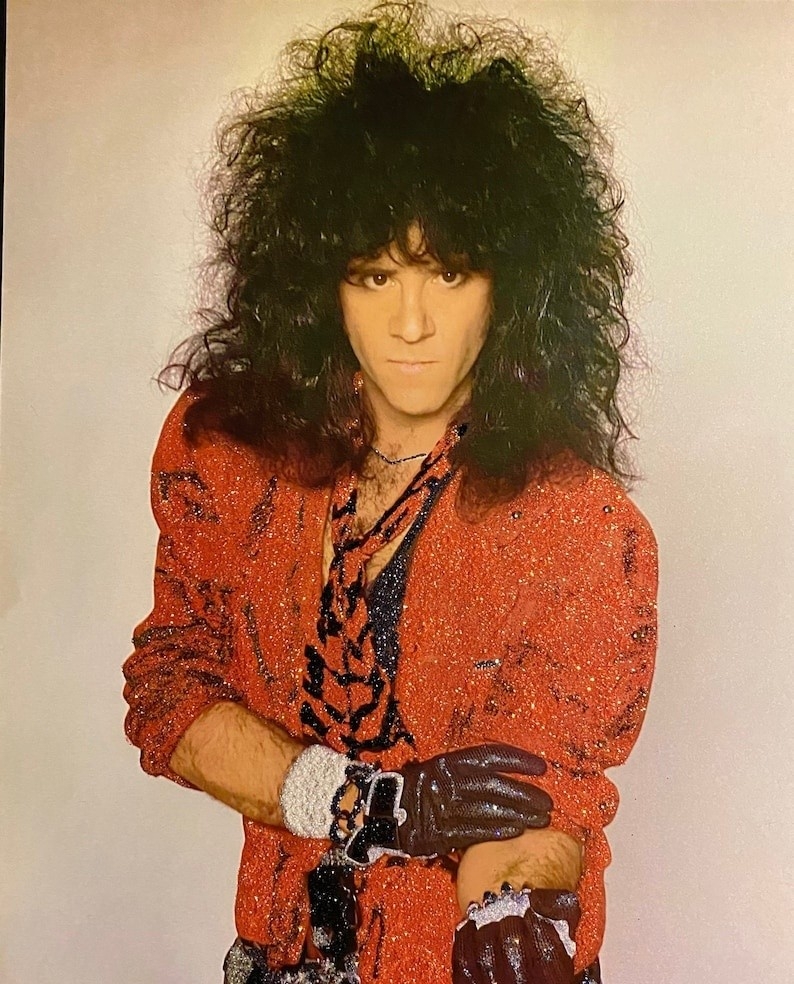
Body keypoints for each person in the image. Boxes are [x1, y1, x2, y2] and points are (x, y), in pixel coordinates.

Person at [122, 3, 658, 982]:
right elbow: (170, 695)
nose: (410, 323)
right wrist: (367, 805)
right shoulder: (229, 458)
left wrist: (511, 917)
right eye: (374, 275)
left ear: (514, 287)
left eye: (447, 274)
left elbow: (535, 797)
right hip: (282, 955)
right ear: (317, 284)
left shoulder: (576, 525)